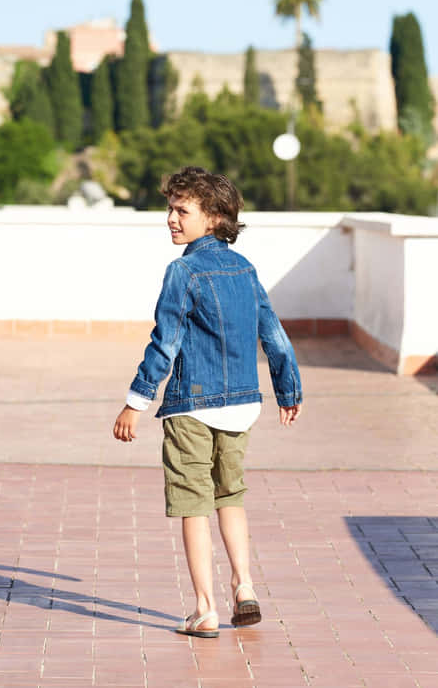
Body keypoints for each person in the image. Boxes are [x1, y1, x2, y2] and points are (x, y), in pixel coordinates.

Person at [113, 166, 302, 638]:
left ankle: (204, 609)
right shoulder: (245, 269)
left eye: (182, 211)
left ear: (214, 217)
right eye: (170, 209)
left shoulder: (182, 271)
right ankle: (244, 585)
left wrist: (136, 401)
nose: (171, 219)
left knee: (193, 504)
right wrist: (287, 388)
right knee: (230, 496)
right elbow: (274, 335)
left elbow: (165, 342)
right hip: (242, 407)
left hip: (190, 408)